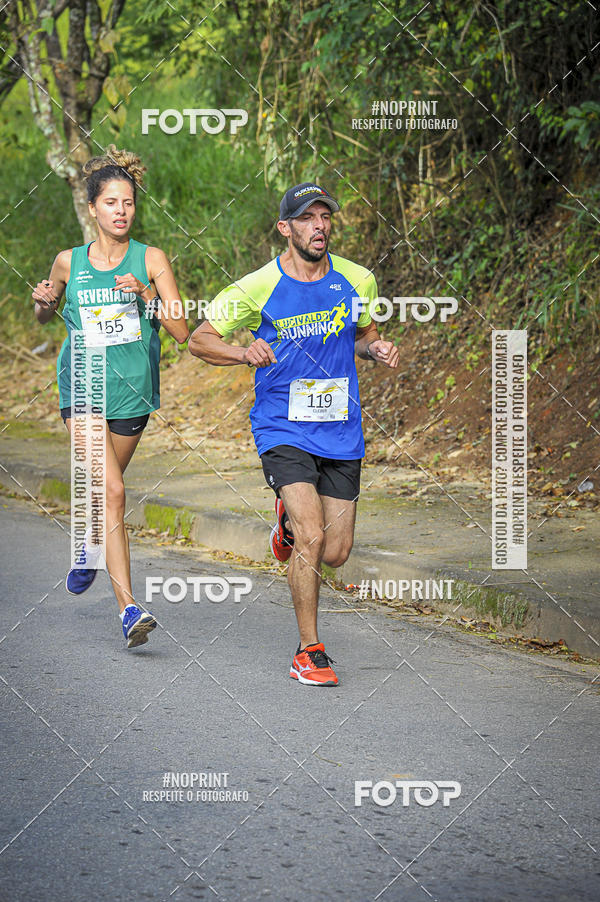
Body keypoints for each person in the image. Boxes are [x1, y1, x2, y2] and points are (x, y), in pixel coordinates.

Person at [188, 182, 399, 684]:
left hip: (340, 427)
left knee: (335, 551)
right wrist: (243, 353)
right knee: (311, 534)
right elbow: (199, 338)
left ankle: (284, 526)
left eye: (325, 217)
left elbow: (363, 335)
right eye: (307, 218)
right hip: (282, 424)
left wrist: (378, 349)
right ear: (286, 228)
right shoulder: (257, 286)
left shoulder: (357, 279)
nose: (319, 226)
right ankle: (310, 651)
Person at [32, 145, 189, 648]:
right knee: (115, 492)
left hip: (131, 393)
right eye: (111, 203)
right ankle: (129, 609)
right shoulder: (68, 261)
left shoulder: (152, 259)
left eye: (128, 203)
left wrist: (144, 294)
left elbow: (182, 329)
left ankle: (89, 546)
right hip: (81, 387)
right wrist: (42, 303)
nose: (121, 212)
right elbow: (45, 312)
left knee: (104, 496)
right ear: (93, 209)